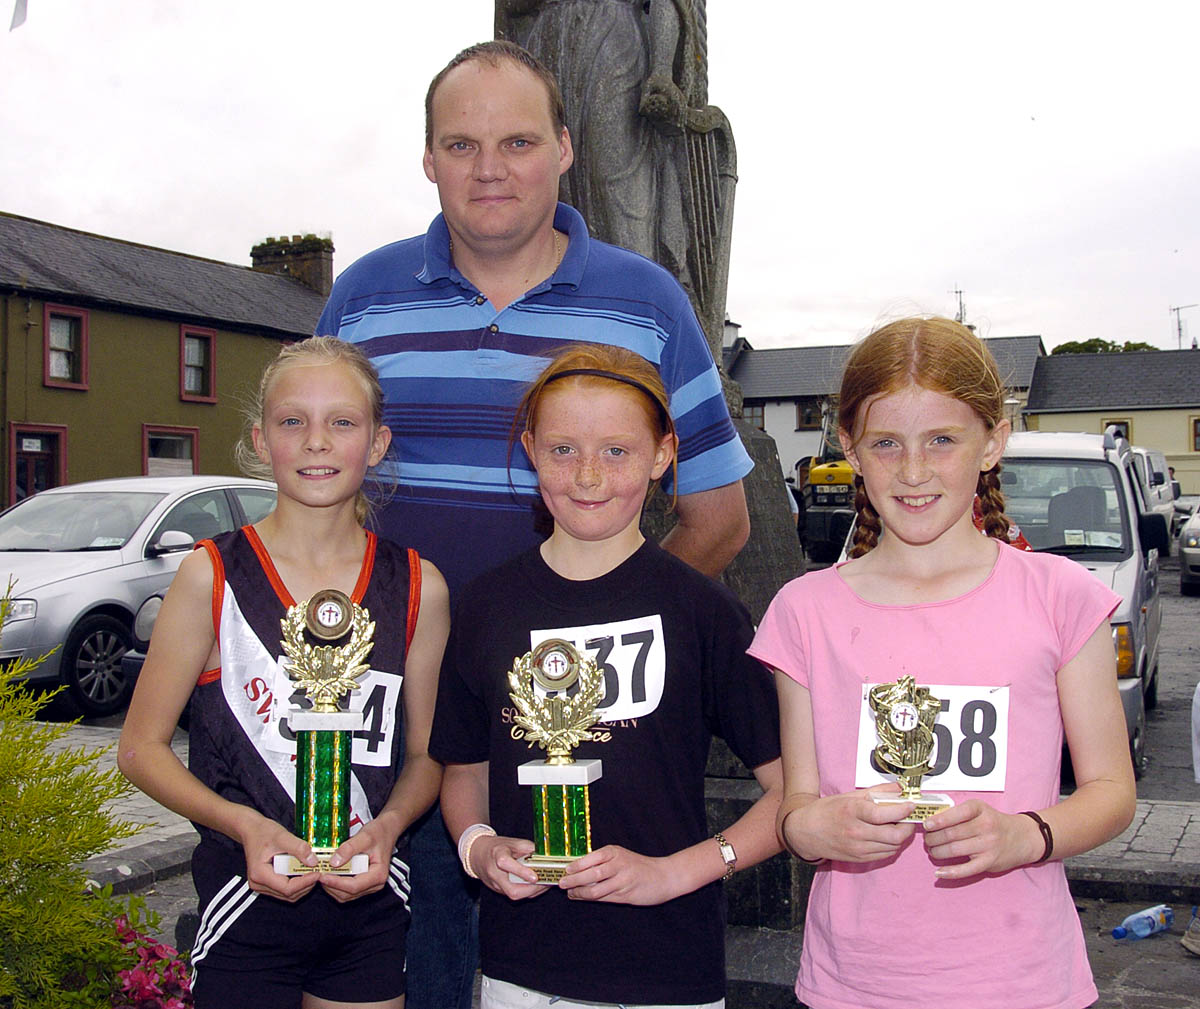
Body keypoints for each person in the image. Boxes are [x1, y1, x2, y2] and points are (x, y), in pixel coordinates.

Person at [316, 39, 752, 1009]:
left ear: (563, 147)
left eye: (516, 140)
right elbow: (312, 503)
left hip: (587, 748)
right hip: (403, 758)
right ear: (427, 158)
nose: (489, 168)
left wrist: (598, 660)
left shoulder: (648, 303)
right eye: (460, 144)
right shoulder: (360, 302)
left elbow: (718, 519)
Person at [747, 317, 1137, 1009]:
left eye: (942, 440)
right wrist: (814, 828)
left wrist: (1025, 834)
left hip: (1024, 982)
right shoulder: (804, 612)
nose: (915, 469)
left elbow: (1111, 791)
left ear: (993, 441)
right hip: (851, 987)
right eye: (887, 443)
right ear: (849, 447)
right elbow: (797, 808)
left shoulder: (1061, 599)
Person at [429, 344, 783, 1009]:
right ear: (531, 450)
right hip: (520, 970)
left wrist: (677, 871)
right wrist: (478, 847)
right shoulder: (483, 605)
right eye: (563, 449)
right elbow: (464, 767)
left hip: (666, 972)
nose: (589, 474)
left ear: (662, 453)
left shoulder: (703, 611)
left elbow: (791, 790)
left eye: (616, 451)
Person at [118, 337, 450, 1009]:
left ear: (377, 442)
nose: (317, 441)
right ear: (261, 440)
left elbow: (425, 754)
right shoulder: (209, 574)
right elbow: (139, 749)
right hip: (245, 904)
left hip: (370, 907)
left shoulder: (420, 585)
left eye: (342, 422)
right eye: (292, 420)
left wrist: (387, 828)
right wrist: (241, 824)